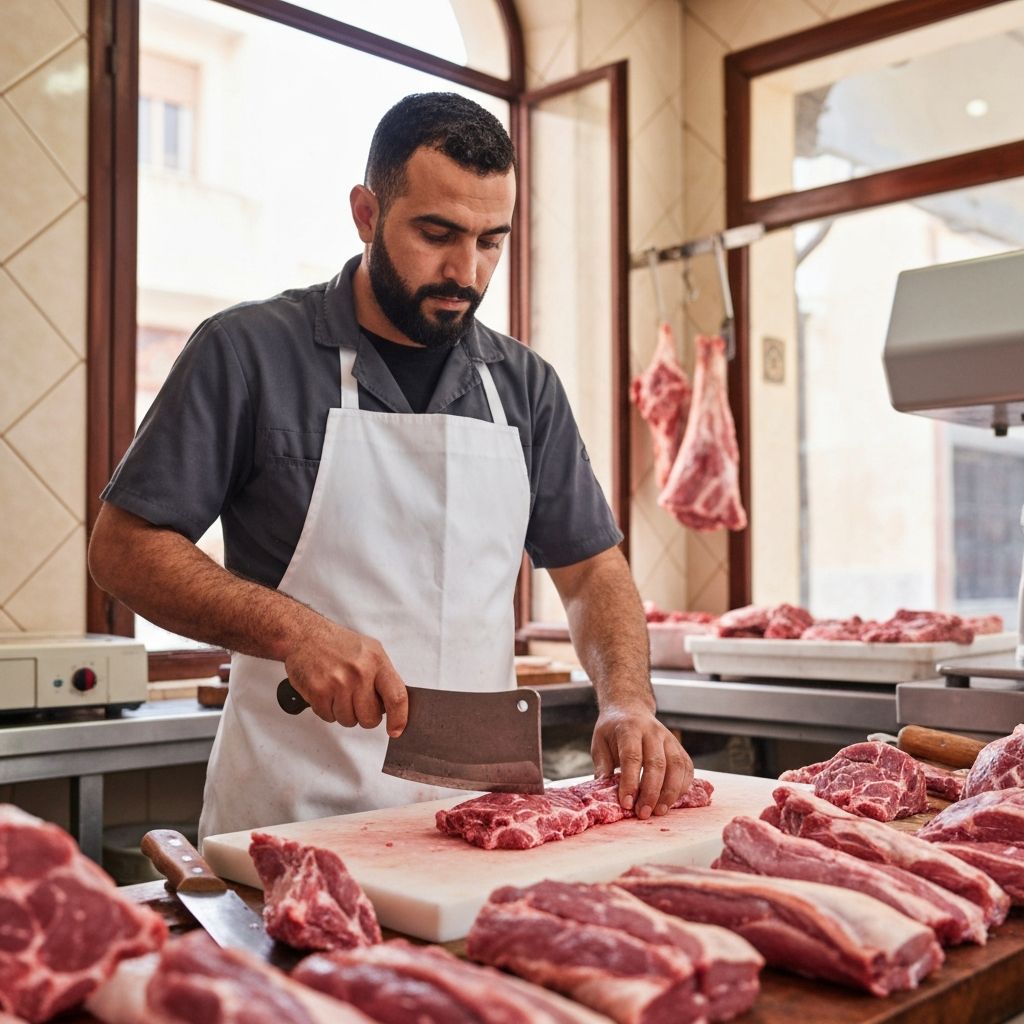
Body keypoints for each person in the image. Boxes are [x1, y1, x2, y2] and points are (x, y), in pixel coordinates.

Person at [88, 92, 693, 840]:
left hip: (478, 823)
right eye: (437, 233)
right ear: (367, 214)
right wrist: (294, 632)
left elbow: (593, 573)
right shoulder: (247, 353)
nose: (465, 272)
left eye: (490, 242)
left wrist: (627, 698)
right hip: (290, 827)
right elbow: (123, 546)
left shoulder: (525, 386)